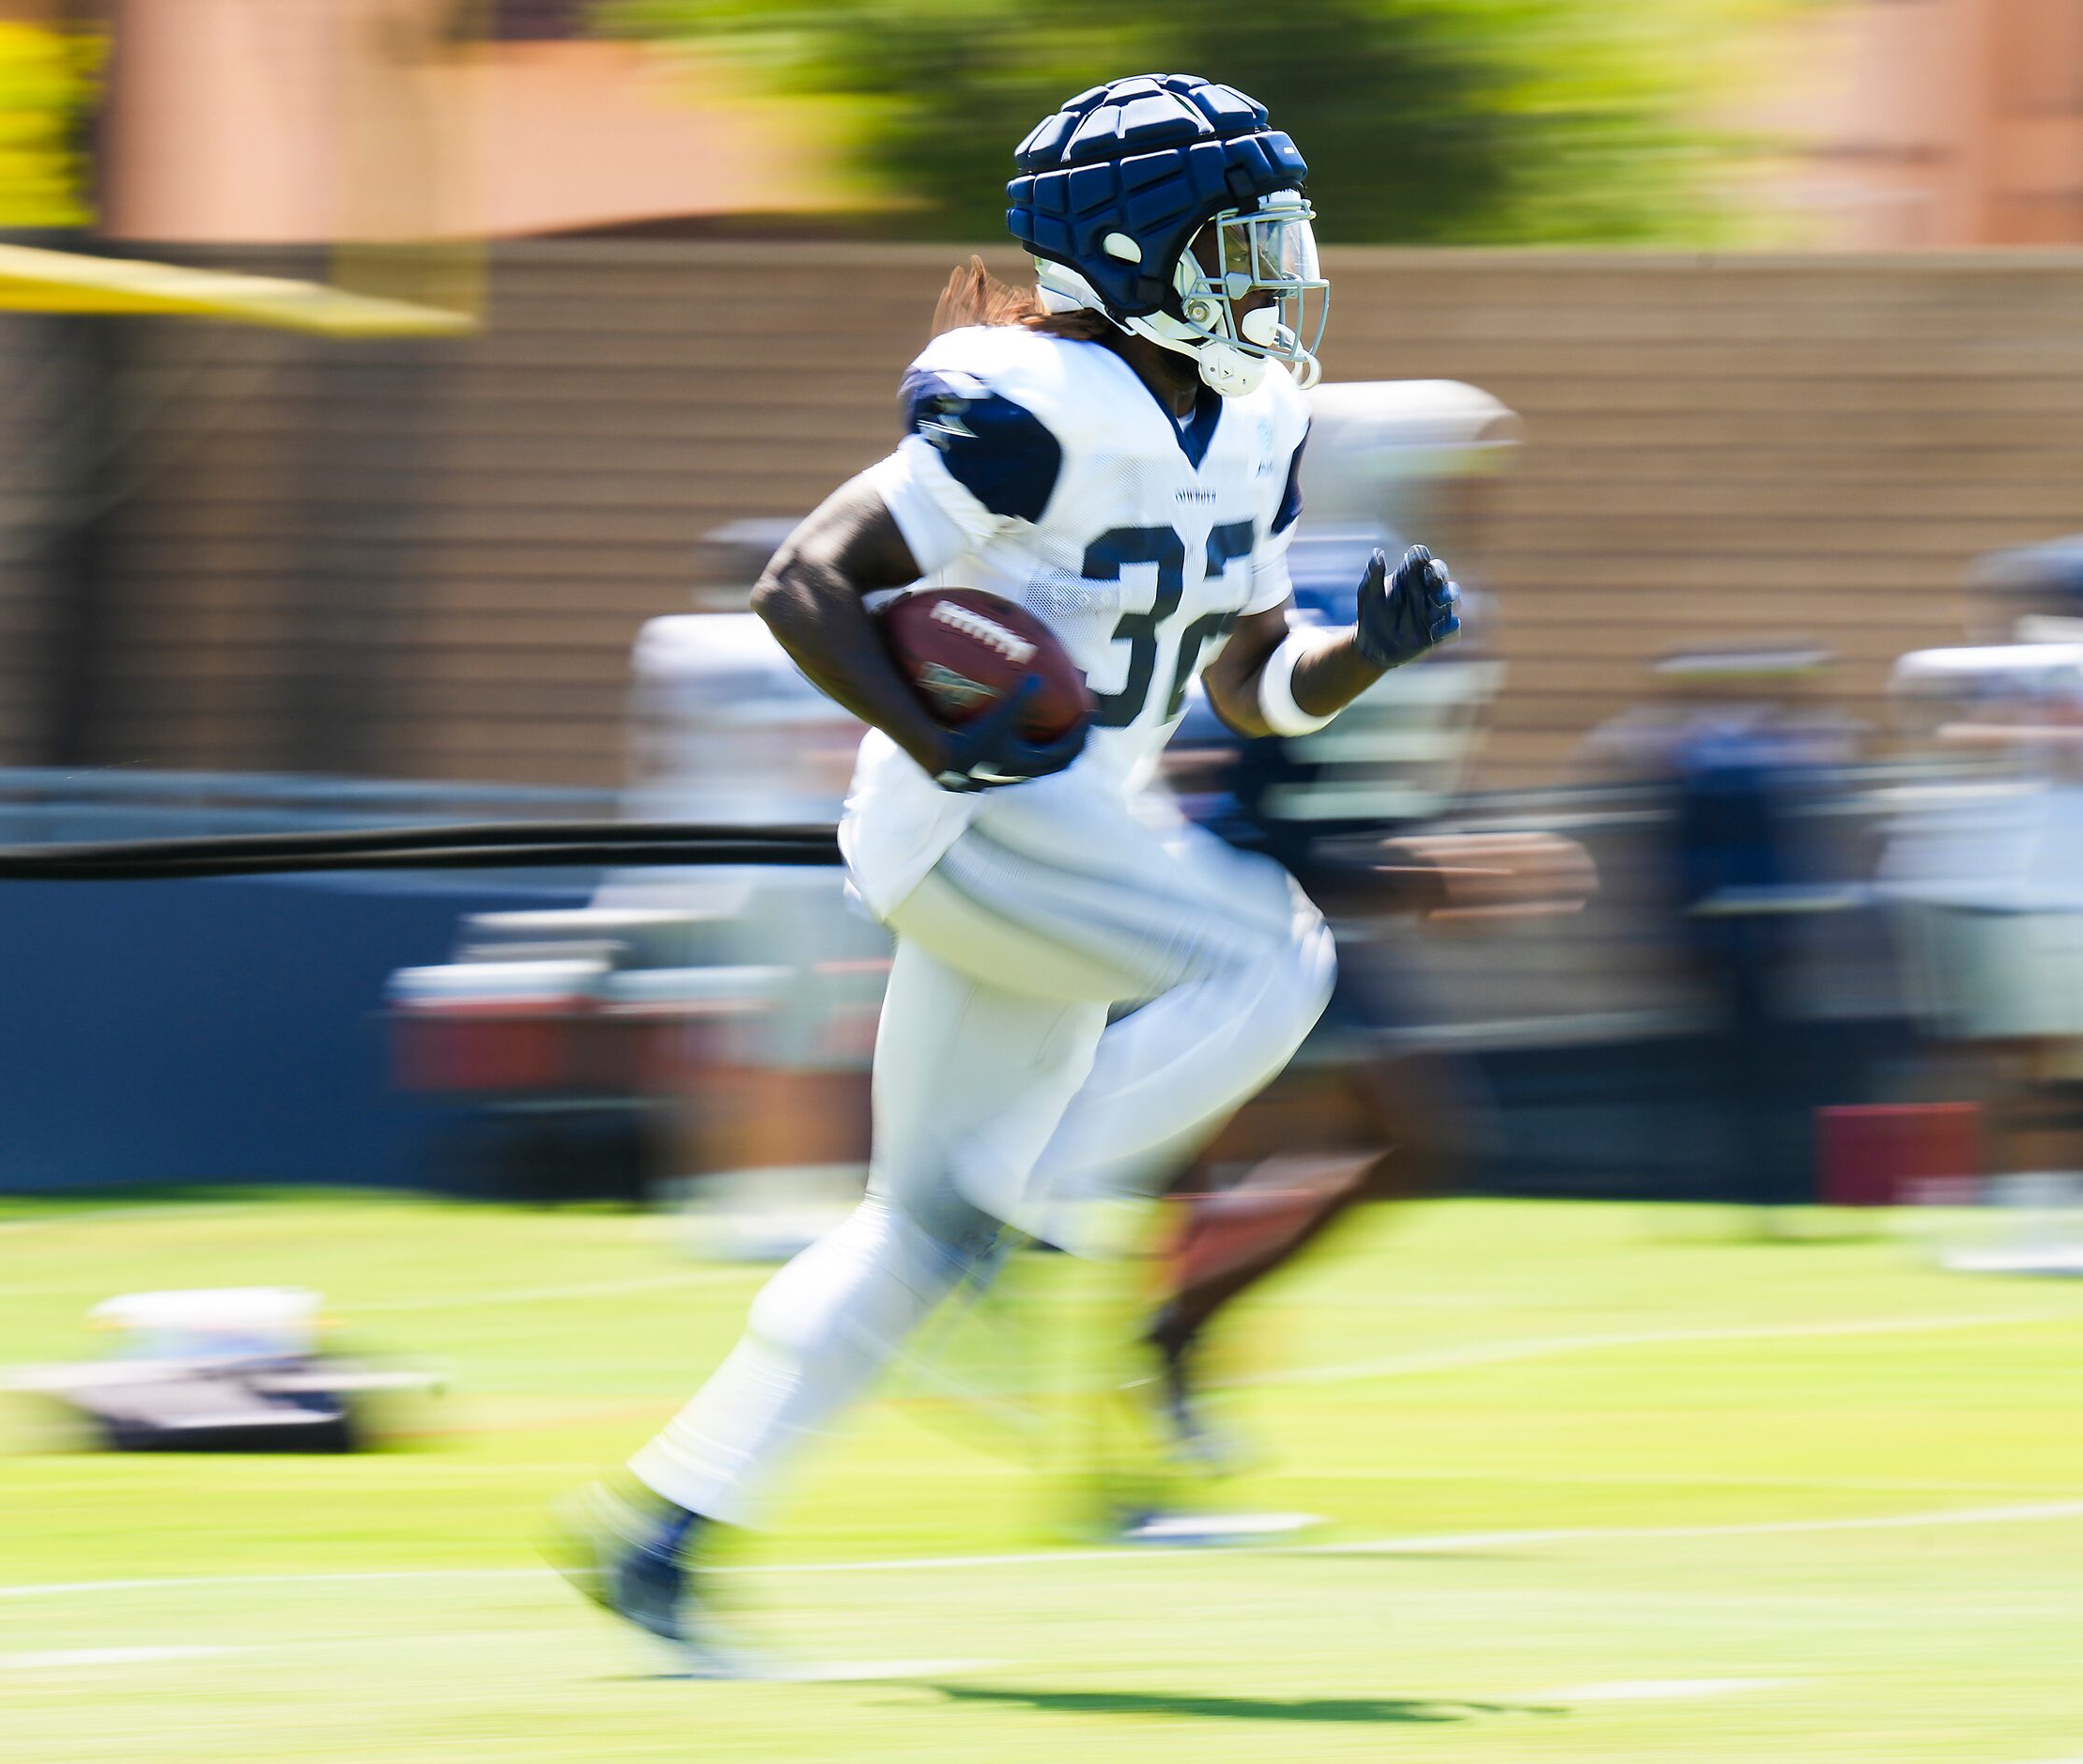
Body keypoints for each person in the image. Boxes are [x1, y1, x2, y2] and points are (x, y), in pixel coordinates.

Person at [549, 73, 1461, 1663]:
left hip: (1072, 832)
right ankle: (1028, 1217)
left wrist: (1361, 657)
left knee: (912, 1224)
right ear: (1133, 250)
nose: (1283, 273)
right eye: (1247, 241)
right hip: (985, 819)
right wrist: (945, 735)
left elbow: (1250, 684)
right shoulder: (1030, 397)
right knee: (1271, 951)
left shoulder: (1251, 424)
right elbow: (810, 580)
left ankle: (666, 1527)